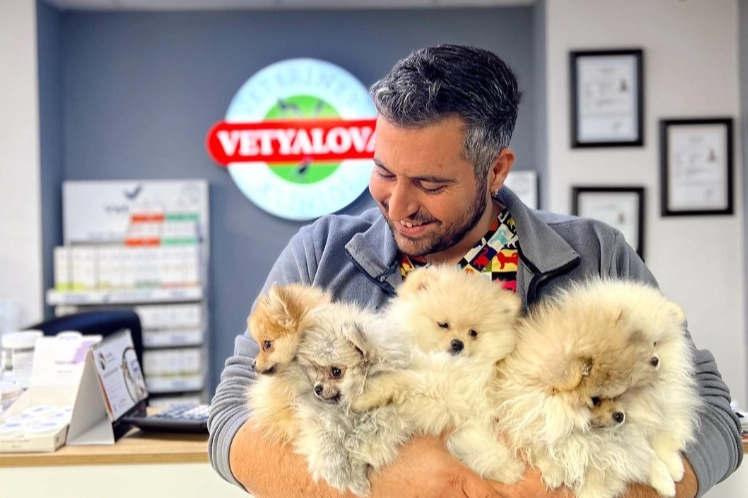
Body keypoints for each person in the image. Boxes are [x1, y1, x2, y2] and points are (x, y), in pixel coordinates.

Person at [208, 45, 742, 498]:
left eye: (431, 185)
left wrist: (590, 490)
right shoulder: (321, 253)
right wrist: (374, 483)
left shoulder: (595, 254)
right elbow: (230, 419)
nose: (398, 205)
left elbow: (716, 415)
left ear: (496, 170)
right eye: (384, 171)